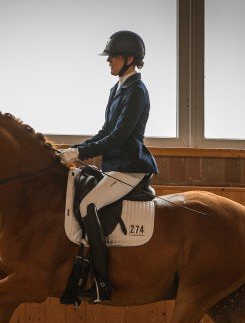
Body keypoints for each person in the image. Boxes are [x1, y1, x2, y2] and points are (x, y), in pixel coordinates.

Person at [59, 30, 159, 303]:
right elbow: (105, 130)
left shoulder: (137, 91)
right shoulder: (117, 89)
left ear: (129, 59)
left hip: (131, 168)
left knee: (87, 206)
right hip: (114, 167)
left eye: (112, 57)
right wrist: (74, 149)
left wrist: (81, 151)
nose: (109, 62)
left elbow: (119, 136)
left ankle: (103, 282)